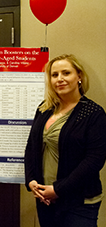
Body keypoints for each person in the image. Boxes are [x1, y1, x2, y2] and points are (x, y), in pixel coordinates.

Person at [24, 54, 106, 227]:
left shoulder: (93, 113)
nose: (60, 79)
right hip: (46, 199)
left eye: (66, 73)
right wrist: (32, 180)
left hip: (79, 202)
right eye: (54, 75)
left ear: (79, 77)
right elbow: (31, 147)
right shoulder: (44, 108)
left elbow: (94, 160)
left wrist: (58, 189)